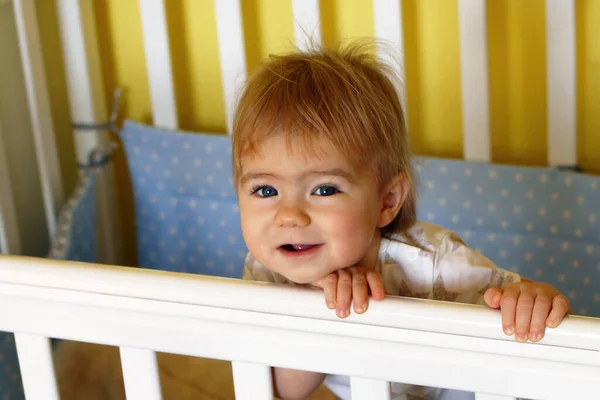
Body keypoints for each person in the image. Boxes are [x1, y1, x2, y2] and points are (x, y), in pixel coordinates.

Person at [231, 39, 571, 400]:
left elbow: (521, 305)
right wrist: (319, 314)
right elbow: (276, 392)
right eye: (265, 191)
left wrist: (535, 298)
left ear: (387, 200)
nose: (289, 216)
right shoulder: (266, 273)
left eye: (325, 189)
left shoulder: (434, 264)